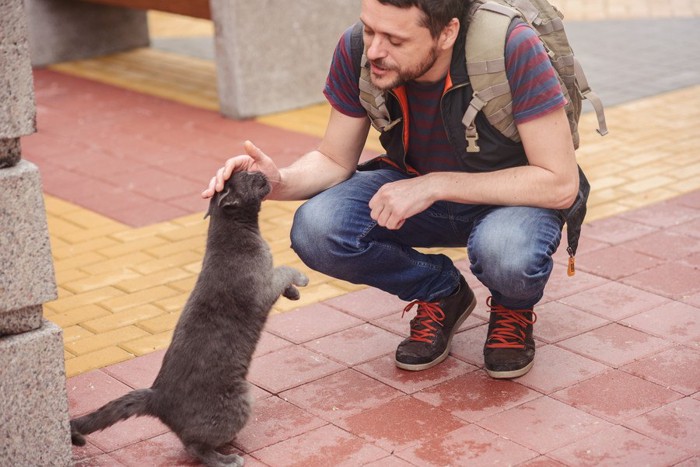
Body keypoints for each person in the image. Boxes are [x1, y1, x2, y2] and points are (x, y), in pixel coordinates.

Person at [202, 0, 588, 379]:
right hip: (416, 189)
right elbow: (335, 160)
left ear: (446, 33)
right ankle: (441, 292)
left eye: (396, 40)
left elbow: (559, 182)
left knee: (506, 251)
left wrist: (435, 184)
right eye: (370, 29)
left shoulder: (510, 45)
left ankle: (512, 307)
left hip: (511, 199)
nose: (374, 51)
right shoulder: (358, 49)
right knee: (317, 228)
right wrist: (276, 180)